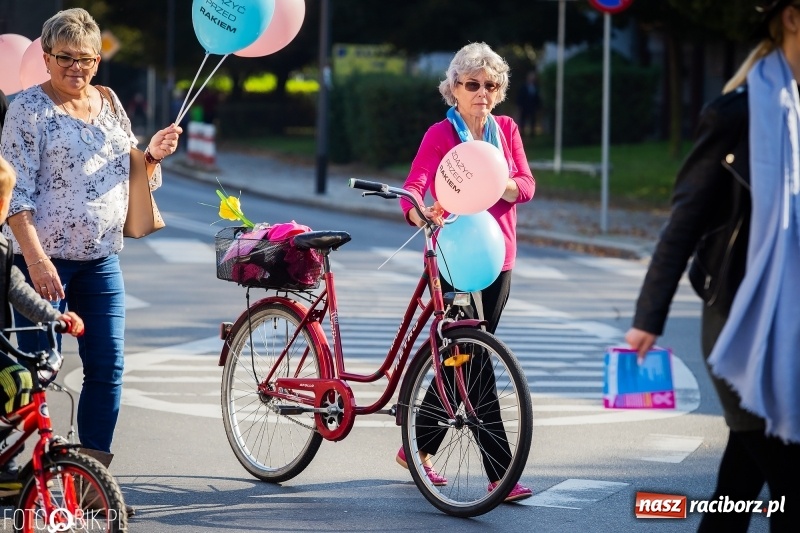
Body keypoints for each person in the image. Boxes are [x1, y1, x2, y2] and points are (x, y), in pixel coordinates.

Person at [625, 1, 800, 530]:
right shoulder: (738, 113)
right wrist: (648, 317)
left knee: (739, 490)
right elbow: (684, 221)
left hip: (791, 334)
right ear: (792, 17)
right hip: (739, 327)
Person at [0, 7, 182, 485]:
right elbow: (13, 195)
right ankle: (24, 476)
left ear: (98, 61)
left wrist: (152, 157)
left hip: (101, 262)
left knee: (108, 367)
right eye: (65, 58)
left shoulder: (109, 101)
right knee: (34, 374)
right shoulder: (27, 109)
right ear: (45, 56)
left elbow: (128, 172)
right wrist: (37, 261)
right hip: (40, 263)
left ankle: (90, 482)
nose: (76, 67)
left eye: (86, 59)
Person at [396, 42, 536, 502]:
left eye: (490, 85)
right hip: (455, 258)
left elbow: (527, 184)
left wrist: (505, 184)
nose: (481, 92)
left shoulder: (507, 130)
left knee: (464, 354)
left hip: (499, 258)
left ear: (499, 92)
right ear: (453, 88)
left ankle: (417, 446)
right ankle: (501, 472)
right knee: (474, 359)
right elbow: (413, 189)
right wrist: (421, 213)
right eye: (471, 84)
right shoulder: (441, 134)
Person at [0, 155, 84, 496]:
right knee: (16, 379)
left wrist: (56, 317)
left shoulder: (3, 246)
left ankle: (4, 461)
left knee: (24, 378)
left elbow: (18, 289)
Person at [516, 70, 541, 138]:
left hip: (532, 107)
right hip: (524, 107)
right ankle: (522, 135)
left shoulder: (536, 87)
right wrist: (520, 106)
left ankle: (532, 135)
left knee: (533, 121)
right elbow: (520, 97)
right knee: (523, 121)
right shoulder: (523, 86)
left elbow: (537, 98)